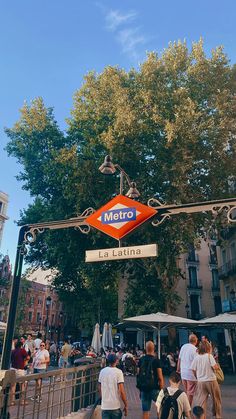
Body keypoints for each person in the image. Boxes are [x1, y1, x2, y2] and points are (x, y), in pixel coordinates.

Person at [191, 341, 222, 419]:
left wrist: (197, 377)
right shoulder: (209, 356)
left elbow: (193, 369)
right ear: (208, 347)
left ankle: (202, 416)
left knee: (201, 401)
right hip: (211, 380)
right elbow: (215, 367)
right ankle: (217, 416)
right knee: (216, 399)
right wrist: (217, 366)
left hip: (201, 381)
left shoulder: (196, 357)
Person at [137, 341, 164, 419]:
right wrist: (162, 390)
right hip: (155, 388)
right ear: (154, 348)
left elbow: (138, 375)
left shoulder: (141, 360)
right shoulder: (156, 360)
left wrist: (140, 389)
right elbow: (160, 377)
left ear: (146, 349)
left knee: (145, 411)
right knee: (160, 407)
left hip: (144, 388)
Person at [98, 353, 128, 419]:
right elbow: (122, 390)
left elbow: (99, 388)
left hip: (105, 406)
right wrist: (125, 404)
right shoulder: (119, 372)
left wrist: (103, 398)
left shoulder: (102, 371)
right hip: (115, 405)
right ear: (116, 361)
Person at [177, 334, 198, 406]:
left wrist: (178, 369)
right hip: (191, 374)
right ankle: (187, 411)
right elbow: (196, 363)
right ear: (196, 341)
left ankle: (185, 408)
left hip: (183, 373)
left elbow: (179, 359)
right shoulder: (195, 349)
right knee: (190, 393)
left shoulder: (183, 347)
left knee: (187, 392)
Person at [10, 341, 29, 406]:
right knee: (22, 385)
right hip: (20, 369)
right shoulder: (22, 350)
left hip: (12, 369)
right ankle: (22, 401)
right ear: (21, 345)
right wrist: (25, 362)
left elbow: (11, 359)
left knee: (13, 386)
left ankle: (12, 401)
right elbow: (28, 357)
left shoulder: (13, 351)